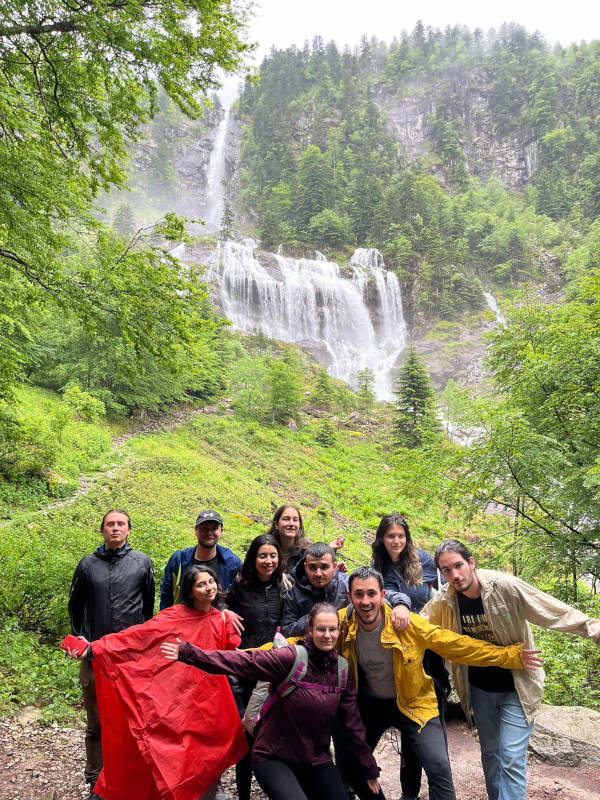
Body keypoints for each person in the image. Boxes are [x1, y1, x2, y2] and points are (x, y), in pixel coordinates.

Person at [338, 566, 542, 800]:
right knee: (351, 767)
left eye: (371, 593)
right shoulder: (341, 624)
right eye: (359, 594)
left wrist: (510, 656)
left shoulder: (407, 624)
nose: (365, 601)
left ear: (383, 595)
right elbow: (309, 636)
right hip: (370, 706)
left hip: (415, 703)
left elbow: (456, 645)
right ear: (350, 596)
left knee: (439, 768)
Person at [423, 539, 600, 800]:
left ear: (471, 563)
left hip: (517, 687)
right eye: (446, 570)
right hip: (479, 689)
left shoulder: (503, 586)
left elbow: (548, 609)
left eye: (458, 566)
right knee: (490, 754)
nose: (454, 575)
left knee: (511, 758)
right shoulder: (446, 599)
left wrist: (591, 628)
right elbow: (421, 622)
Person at [161, 602, 381, 800]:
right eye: (321, 629)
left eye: (332, 629)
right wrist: (189, 653)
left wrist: (368, 770)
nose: (327, 635)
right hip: (274, 757)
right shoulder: (291, 658)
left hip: (316, 760)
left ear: (339, 631)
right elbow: (242, 662)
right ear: (310, 630)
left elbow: (353, 725)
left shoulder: (342, 671)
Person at [65, 564, 245, 800]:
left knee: (210, 750)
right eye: (201, 584)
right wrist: (94, 648)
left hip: (209, 699)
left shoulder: (221, 619)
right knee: (166, 746)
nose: (209, 587)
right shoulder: (174, 616)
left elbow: (231, 652)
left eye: (211, 581)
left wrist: (224, 618)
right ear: (190, 591)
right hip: (178, 694)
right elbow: (139, 637)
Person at [67, 510, 155, 798]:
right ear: (102, 530)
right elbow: (75, 605)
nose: (115, 528)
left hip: (131, 660)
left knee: (132, 721)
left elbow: (147, 607)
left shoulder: (142, 562)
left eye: (121, 524)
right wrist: (83, 637)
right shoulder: (87, 565)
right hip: (94, 657)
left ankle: (129, 778)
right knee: (96, 723)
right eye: (110, 524)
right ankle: (96, 781)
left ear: (129, 529)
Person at [372, 513, 449, 800]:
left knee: (432, 722)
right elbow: (382, 594)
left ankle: (440, 788)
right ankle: (409, 791)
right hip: (400, 652)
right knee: (408, 721)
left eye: (401, 536)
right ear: (382, 538)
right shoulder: (377, 566)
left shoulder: (423, 561)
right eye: (391, 536)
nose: (396, 541)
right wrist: (398, 602)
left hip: (428, 650)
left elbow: (435, 594)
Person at [224, 534, 292, 800]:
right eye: (262, 555)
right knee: (247, 737)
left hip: (277, 670)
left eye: (273, 555)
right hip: (247, 670)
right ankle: (243, 795)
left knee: (279, 734)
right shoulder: (239, 589)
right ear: (253, 559)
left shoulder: (285, 587)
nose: (268, 561)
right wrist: (223, 611)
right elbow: (220, 613)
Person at [280, 542, 411, 638]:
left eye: (324, 567)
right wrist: (314, 618)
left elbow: (383, 594)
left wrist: (401, 605)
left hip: (347, 648)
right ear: (305, 567)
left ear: (334, 566)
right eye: (313, 567)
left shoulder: (347, 584)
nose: (318, 573)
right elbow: (286, 630)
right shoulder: (294, 593)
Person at [160, 509, 242, 608]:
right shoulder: (179, 560)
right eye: (204, 528)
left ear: (221, 531)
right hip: (184, 620)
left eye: (214, 528)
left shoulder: (232, 563)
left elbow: (239, 598)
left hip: (219, 621)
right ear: (196, 530)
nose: (209, 533)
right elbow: (167, 595)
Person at [267, 504, 346, 575]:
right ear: (276, 524)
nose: (291, 523)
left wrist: (330, 550)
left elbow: (315, 573)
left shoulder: (306, 549)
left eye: (295, 520)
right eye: (286, 519)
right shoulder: (265, 547)